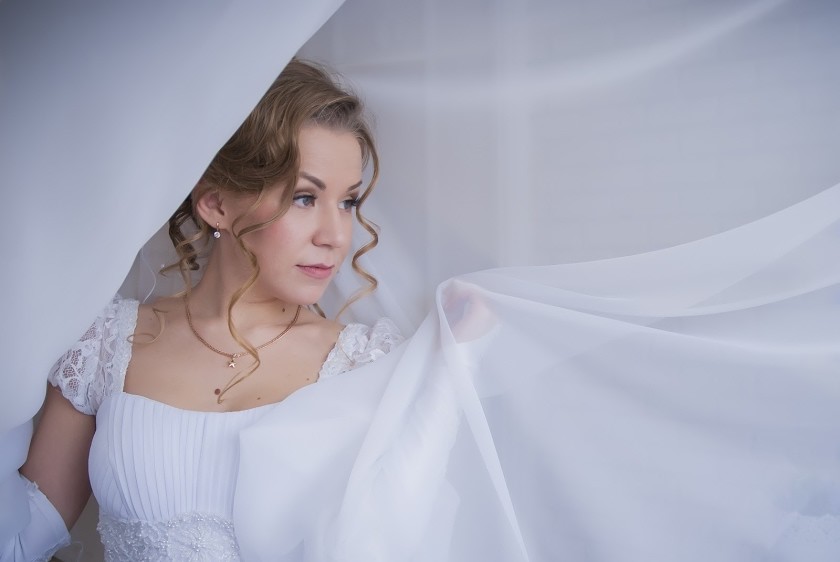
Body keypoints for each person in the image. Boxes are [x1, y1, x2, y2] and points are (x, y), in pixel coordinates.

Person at [6, 58, 403, 561]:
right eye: (305, 198)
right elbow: (24, 537)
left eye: (347, 203)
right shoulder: (106, 345)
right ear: (215, 204)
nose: (336, 236)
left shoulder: (368, 367)